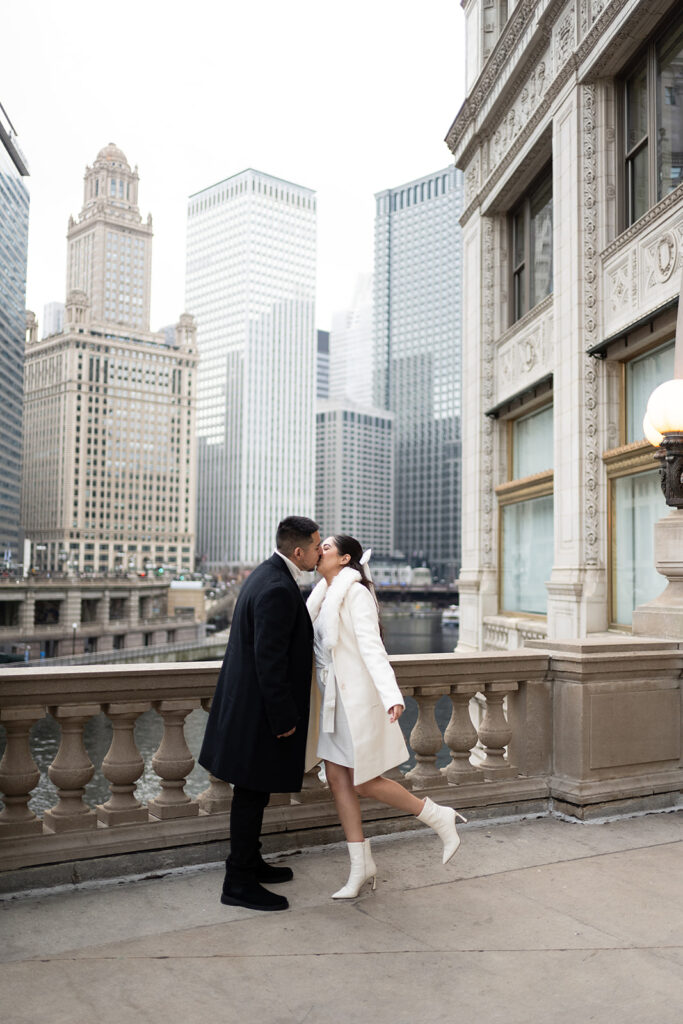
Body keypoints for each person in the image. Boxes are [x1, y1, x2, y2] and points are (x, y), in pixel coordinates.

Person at [307, 535, 467, 898]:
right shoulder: (321, 596)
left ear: (346, 558)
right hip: (330, 702)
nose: (320, 552)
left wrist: (391, 694)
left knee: (363, 781)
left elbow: (371, 646)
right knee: (337, 778)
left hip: (354, 701)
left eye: (327, 547)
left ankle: (436, 815)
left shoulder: (356, 593)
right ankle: (361, 867)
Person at [199, 516, 322, 912]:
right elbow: (268, 660)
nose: (320, 552)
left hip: (247, 710)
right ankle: (237, 882)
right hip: (258, 716)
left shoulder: (264, 576)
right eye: (317, 546)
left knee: (253, 794)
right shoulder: (276, 588)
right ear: (298, 551)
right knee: (250, 797)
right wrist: (283, 718)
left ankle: (250, 863)